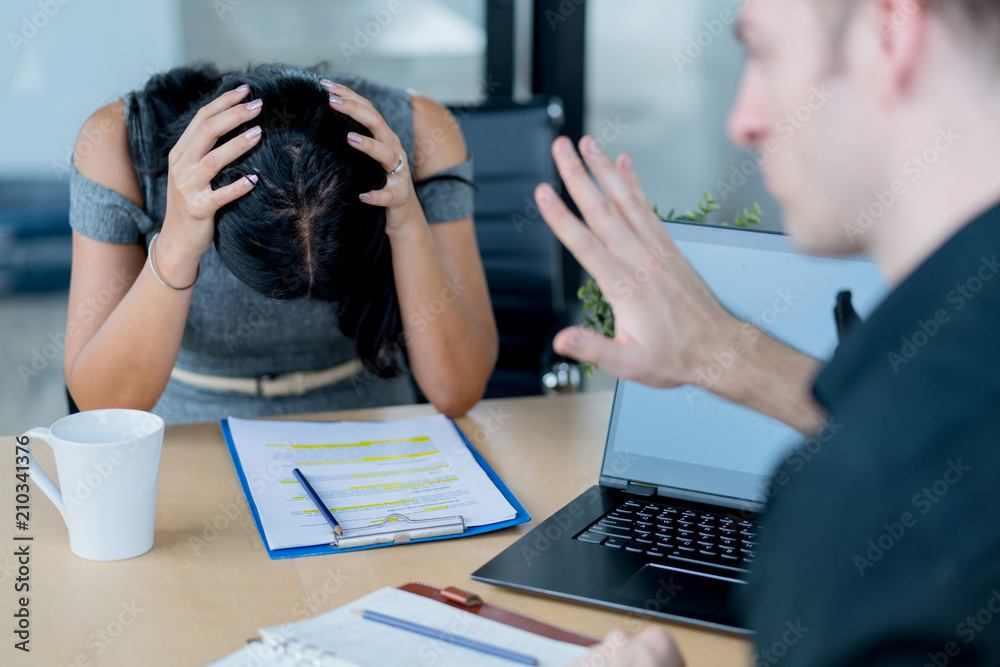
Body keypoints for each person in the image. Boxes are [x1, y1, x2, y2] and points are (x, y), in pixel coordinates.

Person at [551, 0, 1000, 665]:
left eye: (764, 53)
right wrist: (716, 352)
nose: (744, 121)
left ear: (891, 34)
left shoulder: (860, 513)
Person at [65, 64, 498, 424]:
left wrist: (408, 225)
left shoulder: (420, 136)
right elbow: (102, 408)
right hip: (187, 427)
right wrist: (176, 242)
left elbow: (455, 389)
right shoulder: (118, 146)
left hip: (369, 423)